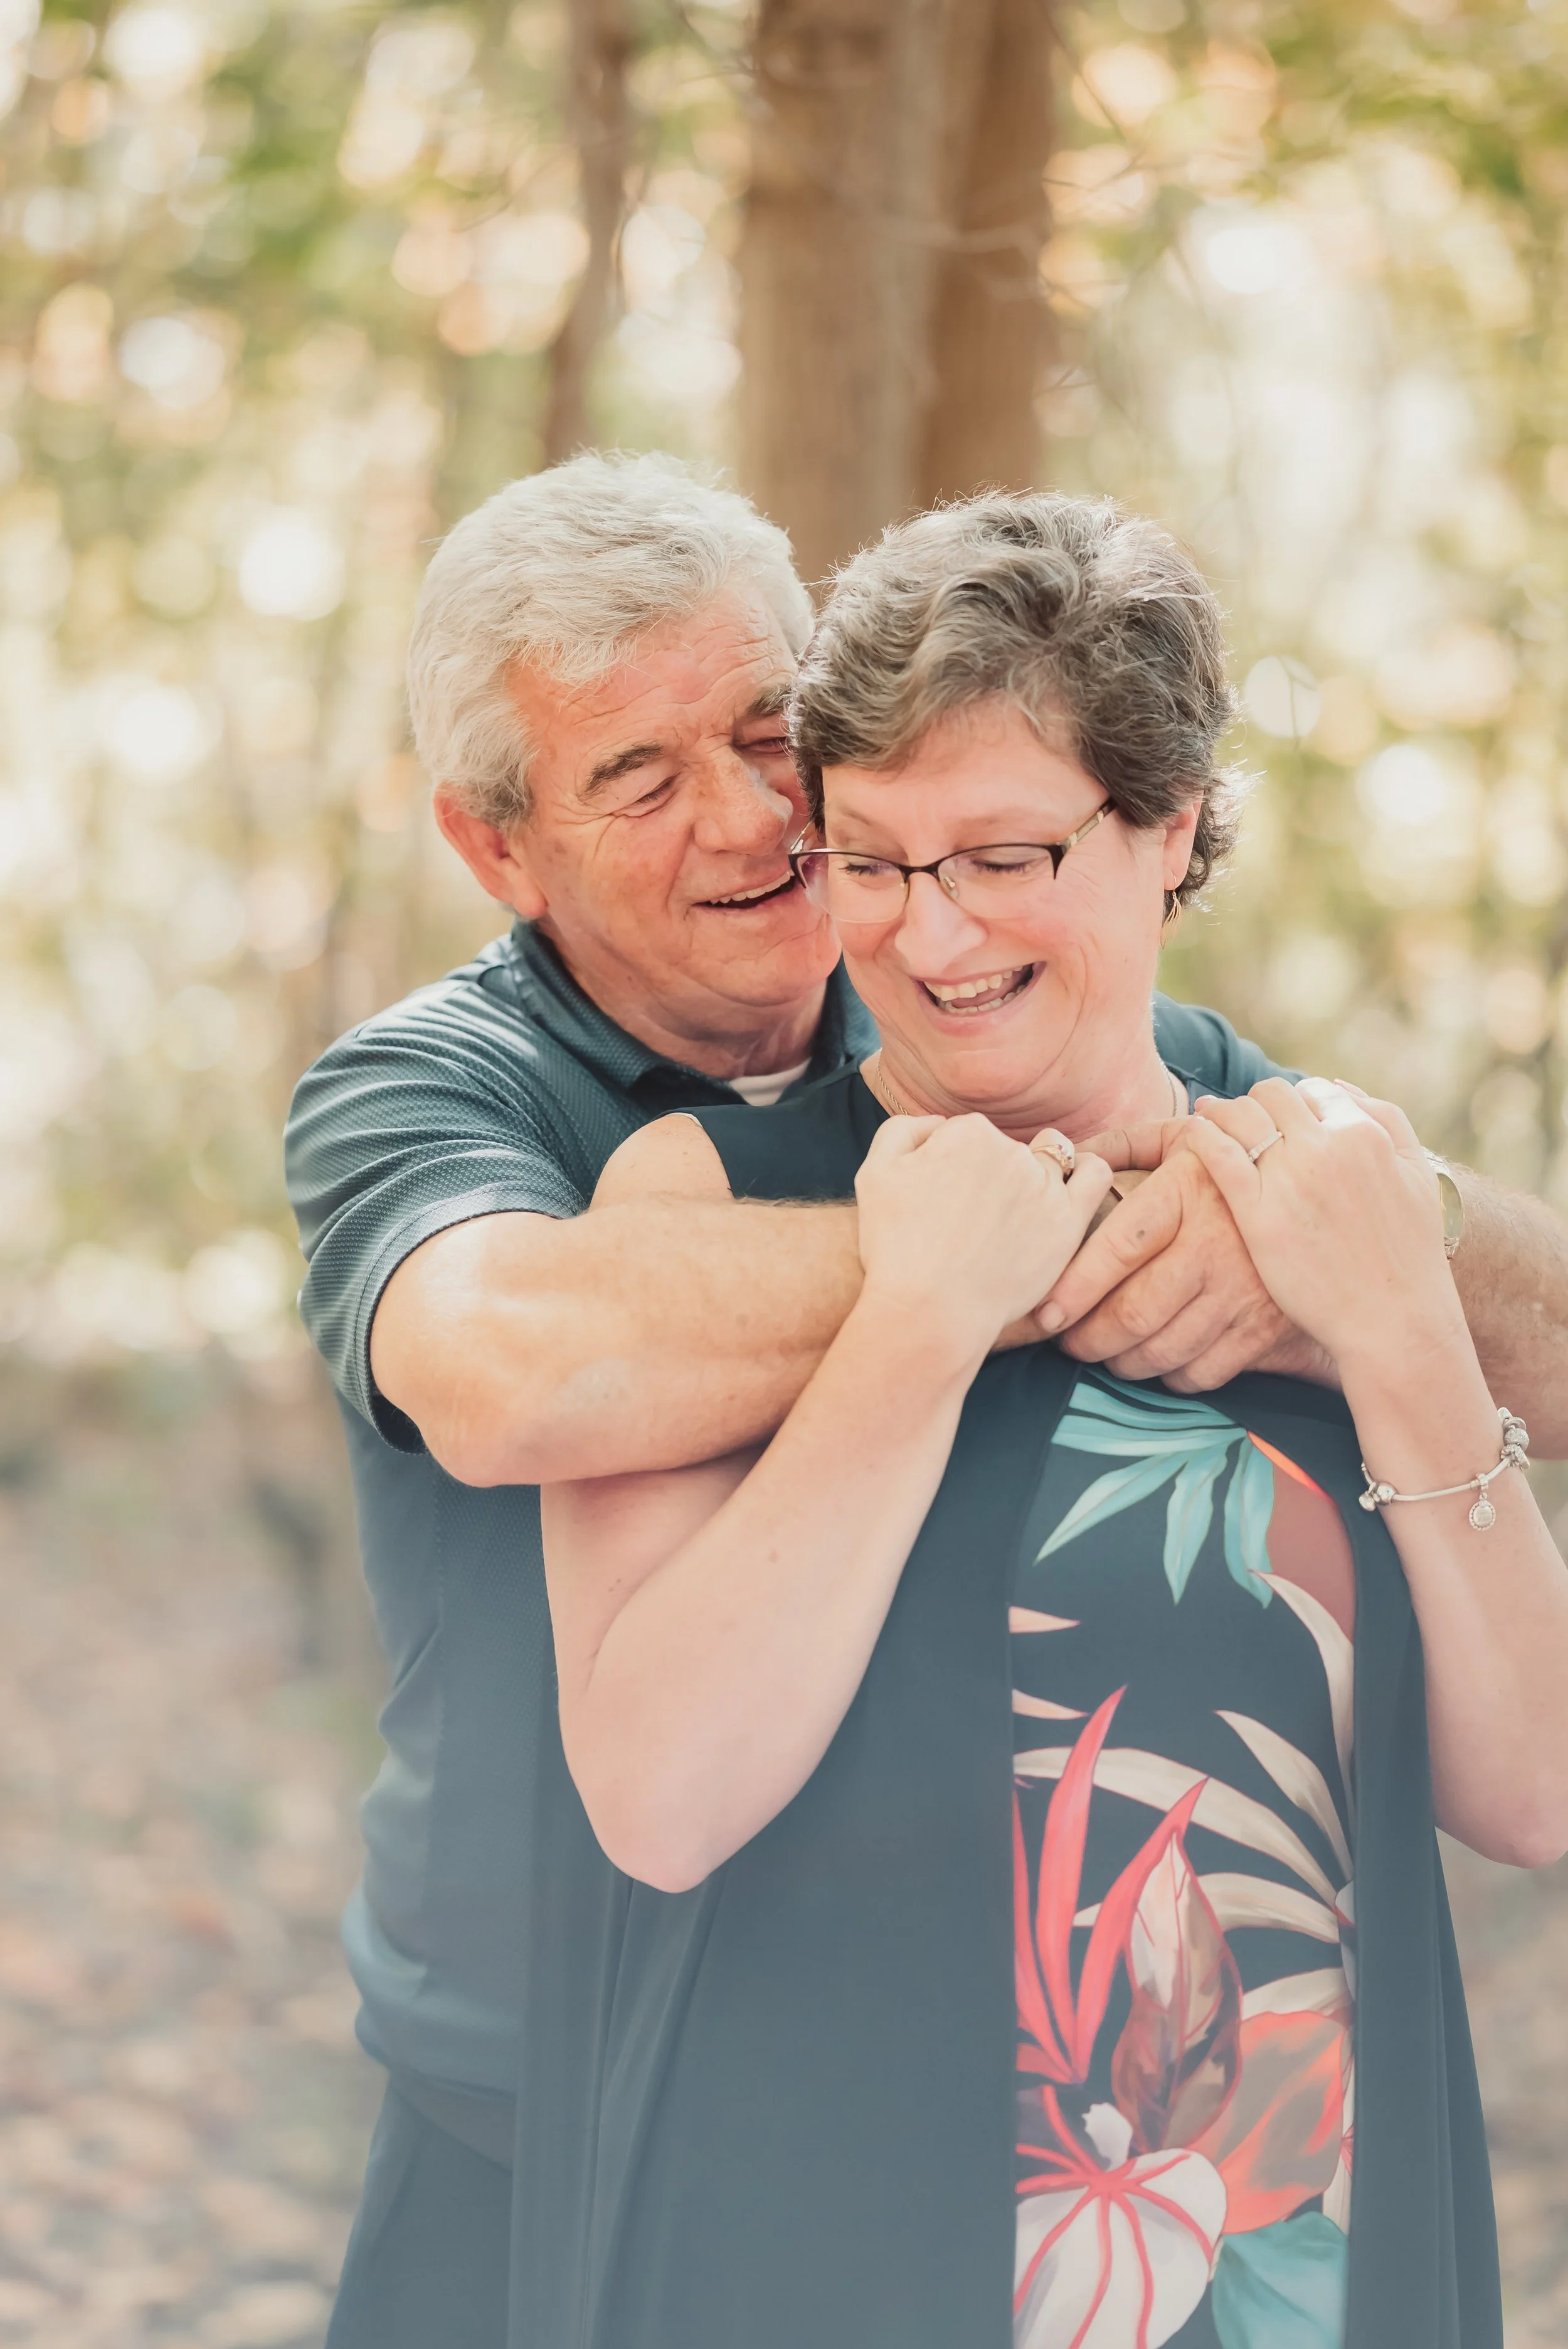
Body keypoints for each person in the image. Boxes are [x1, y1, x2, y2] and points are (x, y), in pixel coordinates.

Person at [283, 457, 1568, 2345]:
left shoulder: (1252, 1129)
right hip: (607, 2114)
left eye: (759, 742)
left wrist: (1393, 1283)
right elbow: (511, 1372)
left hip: (1276, 2212)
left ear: (1164, 834)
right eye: (639, 779)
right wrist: (954, 1281)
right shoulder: (496, 1115)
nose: (757, 828)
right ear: (498, 845)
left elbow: (1520, 1759)